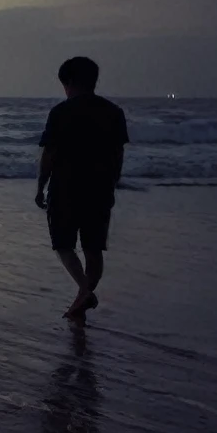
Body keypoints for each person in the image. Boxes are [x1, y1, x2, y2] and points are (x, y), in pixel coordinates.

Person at [35, 56, 128, 320]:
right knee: (93, 247)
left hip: (65, 186)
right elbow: (118, 153)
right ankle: (82, 297)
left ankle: (84, 291)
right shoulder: (113, 112)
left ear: (70, 82)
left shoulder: (61, 112)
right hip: (100, 187)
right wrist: (113, 181)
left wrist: (41, 185)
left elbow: (49, 153)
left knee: (63, 245)